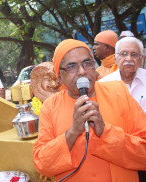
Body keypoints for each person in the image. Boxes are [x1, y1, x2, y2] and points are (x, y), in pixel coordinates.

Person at [33, 39, 146, 182]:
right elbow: (42, 164)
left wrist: (105, 133)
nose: (82, 71)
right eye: (72, 66)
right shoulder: (50, 107)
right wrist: (72, 132)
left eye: (87, 63)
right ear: (59, 76)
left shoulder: (119, 92)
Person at [99, 37, 146, 112]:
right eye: (123, 54)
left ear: (141, 58)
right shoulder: (103, 85)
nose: (129, 59)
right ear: (115, 58)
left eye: (134, 54)